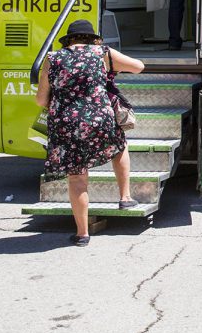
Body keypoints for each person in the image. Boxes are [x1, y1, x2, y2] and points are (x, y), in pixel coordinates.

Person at [35, 19, 145, 245]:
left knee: (77, 177)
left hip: (66, 123)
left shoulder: (53, 58)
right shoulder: (102, 53)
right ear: (92, 39)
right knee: (119, 145)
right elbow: (138, 66)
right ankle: (125, 197)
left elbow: (40, 100)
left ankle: (82, 234)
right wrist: (111, 68)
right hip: (98, 119)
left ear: (69, 40)